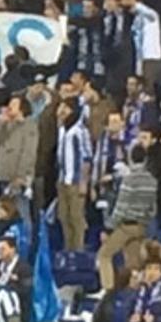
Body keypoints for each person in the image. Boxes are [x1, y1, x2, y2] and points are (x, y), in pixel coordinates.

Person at [97, 144, 157, 291]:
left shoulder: (129, 180)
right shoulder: (152, 180)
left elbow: (121, 207)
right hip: (142, 226)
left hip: (126, 226)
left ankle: (108, 291)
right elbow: (153, 208)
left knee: (104, 255)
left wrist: (110, 227)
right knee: (133, 263)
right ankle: (135, 292)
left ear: (130, 158)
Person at [55, 100, 92, 251]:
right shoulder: (62, 129)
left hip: (76, 181)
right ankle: (67, 248)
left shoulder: (80, 131)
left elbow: (87, 157)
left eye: (66, 108)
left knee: (76, 218)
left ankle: (78, 250)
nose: (62, 111)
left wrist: (84, 181)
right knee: (64, 216)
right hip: (62, 179)